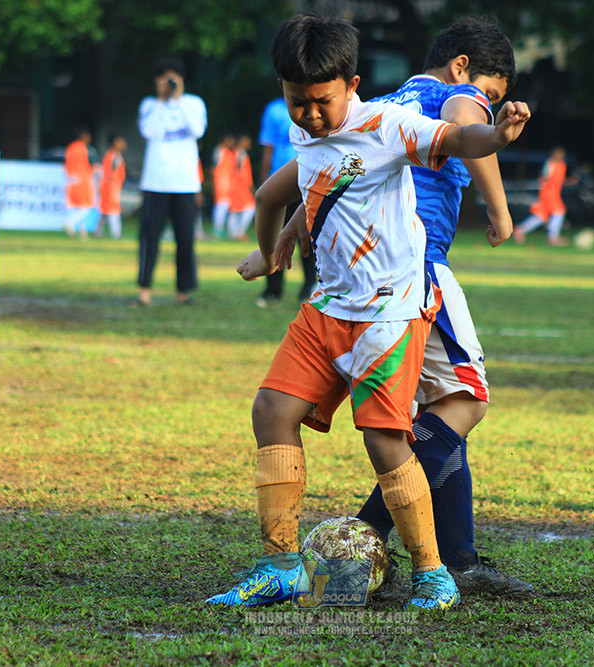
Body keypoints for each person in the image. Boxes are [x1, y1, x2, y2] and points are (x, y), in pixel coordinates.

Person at [206, 13, 530, 611]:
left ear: (351, 86)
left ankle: (432, 572)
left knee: (387, 438)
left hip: (389, 308)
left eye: (321, 102)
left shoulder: (388, 121)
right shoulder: (310, 132)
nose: (309, 115)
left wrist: (499, 137)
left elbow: (463, 137)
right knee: (272, 411)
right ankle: (281, 565)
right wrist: (272, 249)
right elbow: (275, 193)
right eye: (297, 102)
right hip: (330, 302)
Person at [342, 16, 531, 598]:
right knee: (466, 400)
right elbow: (466, 115)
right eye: (491, 92)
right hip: (417, 266)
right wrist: (499, 211)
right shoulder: (449, 93)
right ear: (461, 67)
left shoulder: (381, 103)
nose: (488, 105)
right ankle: (358, 543)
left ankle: (459, 561)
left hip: (363, 273)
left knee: (439, 413)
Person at [135, 57, 207, 307]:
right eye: (163, 78)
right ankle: (144, 289)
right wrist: (161, 100)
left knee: (185, 238)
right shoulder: (149, 105)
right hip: (155, 182)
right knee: (149, 238)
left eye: (172, 77)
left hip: (185, 183)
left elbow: (198, 130)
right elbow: (149, 132)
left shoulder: (194, 103)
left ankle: (183, 291)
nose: (168, 82)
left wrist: (178, 99)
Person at [255, 96, 318, 307]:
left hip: (308, 181)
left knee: (308, 237)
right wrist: (265, 183)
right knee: (275, 236)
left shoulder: (315, 107)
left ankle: (309, 286)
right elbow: (268, 148)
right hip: (279, 181)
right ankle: (273, 289)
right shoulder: (274, 110)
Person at [513, 146, 572, 246]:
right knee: (559, 211)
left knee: (541, 215)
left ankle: (520, 229)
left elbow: (559, 180)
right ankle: (553, 237)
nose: (560, 156)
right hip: (549, 194)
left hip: (553, 193)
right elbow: (544, 178)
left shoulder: (561, 165)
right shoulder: (550, 164)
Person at [64, 127, 96, 240]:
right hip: (83, 180)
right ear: (83, 136)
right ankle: (70, 223)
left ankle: (83, 233)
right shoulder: (84, 148)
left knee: (79, 208)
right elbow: (92, 164)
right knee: (86, 207)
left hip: (72, 181)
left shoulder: (71, 147)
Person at [225, 134, 256, 241]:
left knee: (238, 209)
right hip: (239, 187)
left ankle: (236, 233)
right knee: (246, 208)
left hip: (241, 187)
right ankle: (238, 232)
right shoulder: (238, 154)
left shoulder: (240, 154)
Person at [96, 133, 127, 240]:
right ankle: (116, 234)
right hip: (111, 188)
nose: (123, 144)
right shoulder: (113, 156)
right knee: (114, 211)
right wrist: (112, 187)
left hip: (110, 187)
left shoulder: (112, 155)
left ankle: (98, 232)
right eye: (121, 142)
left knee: (105, 210)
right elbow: (108, 174)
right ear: (115, 143)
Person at [211, 132, 237, 238]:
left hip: (228, 183)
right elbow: (215, 168)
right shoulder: (220, 151)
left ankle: (221, 230)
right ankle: (217, 230)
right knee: (221, 206)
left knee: (225, 206)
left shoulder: (229, 153)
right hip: (221, 183)